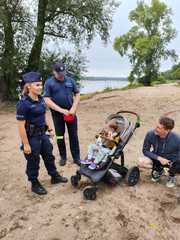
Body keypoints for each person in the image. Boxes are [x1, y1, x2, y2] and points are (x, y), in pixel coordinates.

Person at [16, 72, 68, 195]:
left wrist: (49, 129)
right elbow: (20, 127)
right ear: (29, 86)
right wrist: (26, 144)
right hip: (31, 137)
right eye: (37, 85)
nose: (40, 87)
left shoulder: (41, 100)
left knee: (49, 156)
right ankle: (34, 183)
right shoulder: (23, 104)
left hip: (43, 135)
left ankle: (54, 176)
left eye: (41, 85)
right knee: (33, 161)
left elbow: (44, 115)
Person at [43, 63, 80, 166]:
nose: (61, 75)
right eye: (59, 73)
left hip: (71, 113)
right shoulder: (49, 83)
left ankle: (76, 158)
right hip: (57, 114)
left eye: (63, 73)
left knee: (74, 135)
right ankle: (63, 157)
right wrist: (60, 110)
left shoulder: (70, 80)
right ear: (54, 72)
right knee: (59, 136)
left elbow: (77, 94)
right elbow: (46, 99)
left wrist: (73, 108)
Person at [139, 116, 180, 187]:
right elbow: (145, 150)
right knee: (141, 162)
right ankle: (159, 170)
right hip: (157, 158)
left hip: (172, 161)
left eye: (159, 128)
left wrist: (172, 163)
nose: (156, 129)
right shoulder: (150, 134)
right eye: (156, 126)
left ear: (167, 130)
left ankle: (172, 176)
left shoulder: (177, 139)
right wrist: (159, 158)